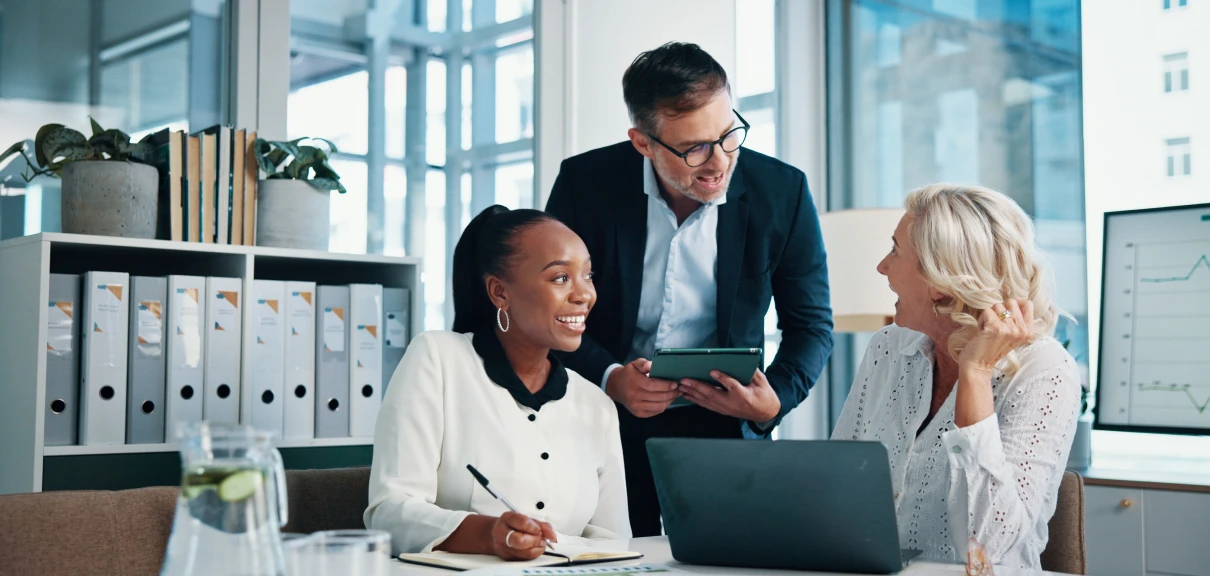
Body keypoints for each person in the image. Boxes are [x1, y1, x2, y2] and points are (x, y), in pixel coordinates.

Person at [545, 42, 833, 536]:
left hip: (727, 425)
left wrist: (775, 400)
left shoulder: (781, 191)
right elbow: (551, 310)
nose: (719, 162)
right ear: (643, 142)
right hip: (605, 418)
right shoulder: (585, 183)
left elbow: (811, 326)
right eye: (695, 147)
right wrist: (611, 375)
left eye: (728, 135)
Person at [831, 183, 1081, 569]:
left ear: (941, 286)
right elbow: (835, 483)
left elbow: (990, 548)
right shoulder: (888, 348)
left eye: (895, 251)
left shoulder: (1045, 371)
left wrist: (976, 374)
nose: (882, 266)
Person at [364, 205, 631, 558]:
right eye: (560, 278)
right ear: (499, 293)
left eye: (588, 275)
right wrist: (489, 534)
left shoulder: (595, 403)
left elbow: (616, 543)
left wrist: (551, 546)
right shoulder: (437, 359)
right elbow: (389, 513)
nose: (585, 295)